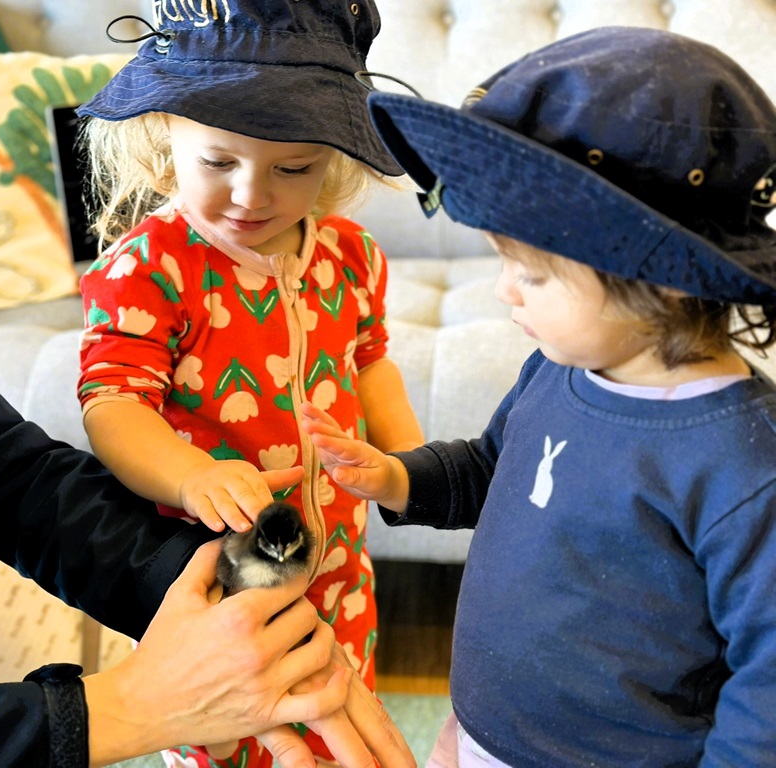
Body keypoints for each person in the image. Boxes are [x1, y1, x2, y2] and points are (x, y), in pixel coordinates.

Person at [0, 2, 418, 767]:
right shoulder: (152, 265)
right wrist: (127, 706)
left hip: (313, 570)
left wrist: (228, 596)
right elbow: (116, 403)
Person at [302, 26, 776, 768]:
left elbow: (769, 682)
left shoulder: (744, 463)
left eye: (534, 274)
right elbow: (494, 470)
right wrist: (397, 478)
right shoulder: (557, 369)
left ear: (667, 277)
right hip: (479, 733)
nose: (504, 292)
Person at [74, 2, 425, 767]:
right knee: (228, 739)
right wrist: (193, 475)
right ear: (167, 130)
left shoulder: (352, 256)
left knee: (337, 721)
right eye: (219, 161)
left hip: (339, 568)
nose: (250, 196)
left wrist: (413, 463)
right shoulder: (151, 266)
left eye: (292, 169)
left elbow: (370, 360)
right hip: (221, 577)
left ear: (331, 155)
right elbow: (113, 404)